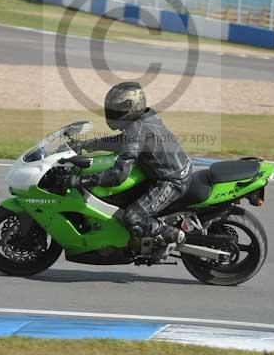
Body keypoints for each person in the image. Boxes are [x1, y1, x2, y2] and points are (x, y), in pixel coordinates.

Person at [81, 81, 192, 251]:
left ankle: (172, 233)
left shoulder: (137, 129)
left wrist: (87, 180)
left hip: (172, 181)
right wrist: (92, 144)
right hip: (177, 170)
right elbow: (125, 142)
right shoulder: (146, 118)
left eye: (115, 109)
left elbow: (119, 175)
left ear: (129, 107)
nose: (111, 113)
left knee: (133, 217)